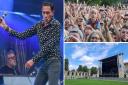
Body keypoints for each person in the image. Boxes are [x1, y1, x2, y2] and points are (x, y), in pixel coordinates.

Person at [0, 2, 61, 85]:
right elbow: (22, 35)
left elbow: (49, 46)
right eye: (44, 12)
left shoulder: (56, 25)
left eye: (48, 12)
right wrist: (6, 27)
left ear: (52, 13)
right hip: (44, 62)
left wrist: (33, 60)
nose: (45, 15)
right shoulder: (38, 25)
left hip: (54, 61)